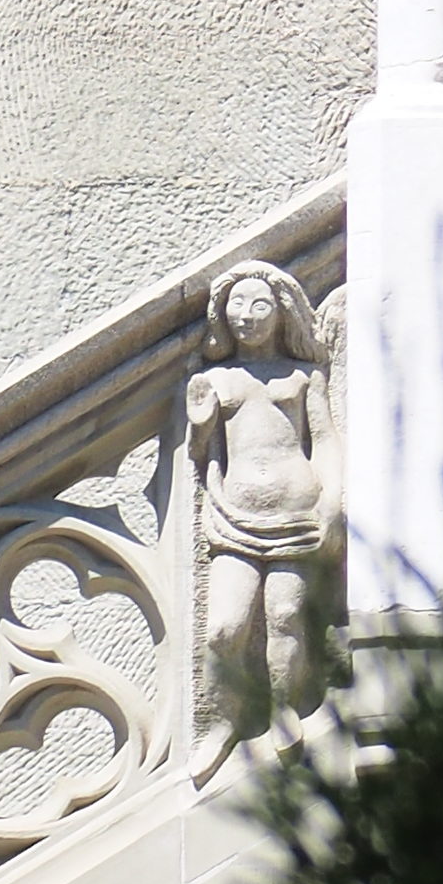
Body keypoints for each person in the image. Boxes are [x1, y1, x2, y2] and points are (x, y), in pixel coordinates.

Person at [185, 257, 340, 767]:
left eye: (259, 305)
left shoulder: (302, 376)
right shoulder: (218, 377)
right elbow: (205, 454)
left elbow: (324, 442)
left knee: (285, 616)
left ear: (283, 311)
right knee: (225, 629)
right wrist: (202, 422)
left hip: (296, 516)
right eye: (236, 306)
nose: (247, 316)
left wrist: (333, 501)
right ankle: (225, 718)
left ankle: (281, 708)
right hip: (235, 519)